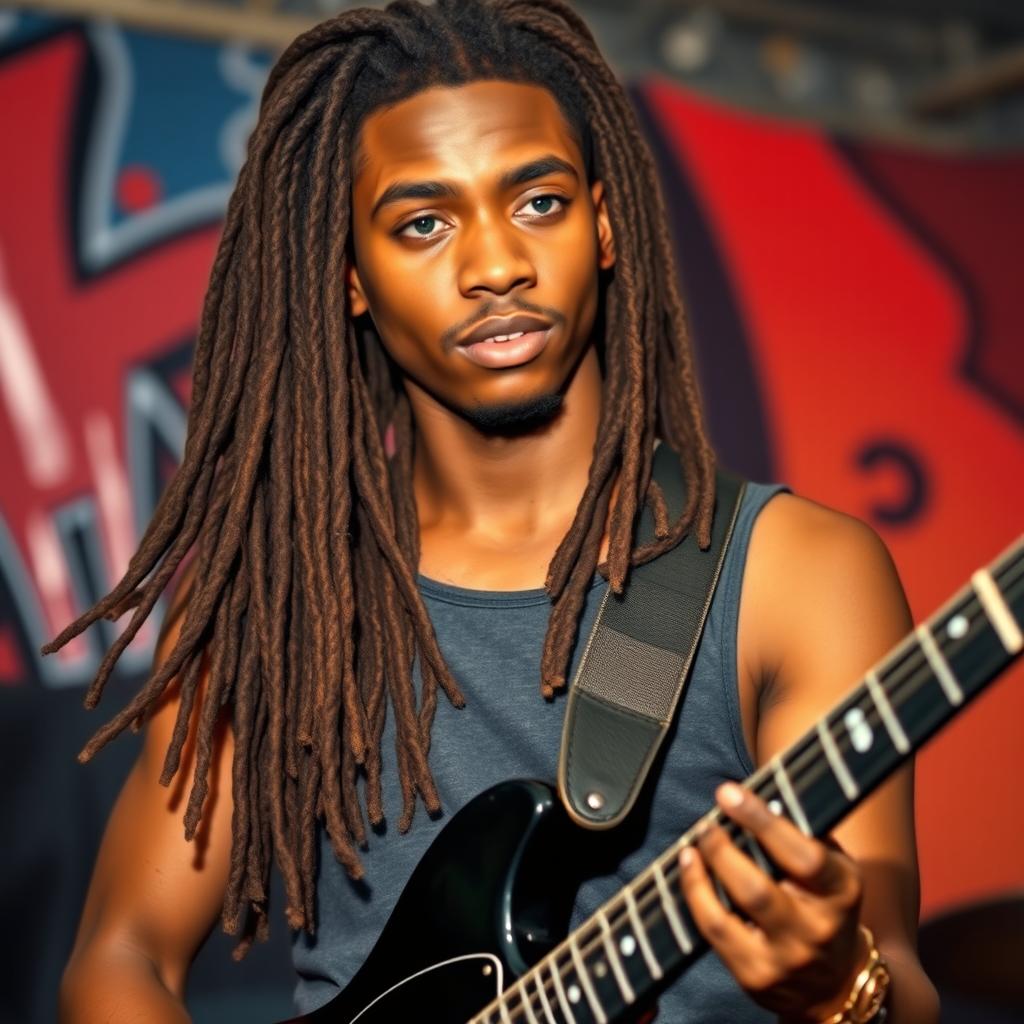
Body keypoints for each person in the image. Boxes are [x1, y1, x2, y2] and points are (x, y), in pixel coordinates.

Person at [54, 0, 940, 1021]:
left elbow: (901, 983)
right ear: (350, 277)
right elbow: (121, 957)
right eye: (423, 223)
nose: (493, 266)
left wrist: (846, 986)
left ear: (605, 224)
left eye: (537, 203)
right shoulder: (284, 605)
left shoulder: (799, 574)